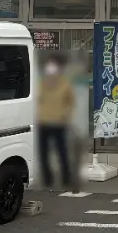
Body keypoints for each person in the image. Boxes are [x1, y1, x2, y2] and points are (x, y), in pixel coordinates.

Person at [37, 52, 76, 190]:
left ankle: (66, 178)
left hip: (59, 123)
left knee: (62, 151)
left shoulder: (65, 84)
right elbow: (37, 99)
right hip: (43, 122)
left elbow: (71, 102)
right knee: (43, 153)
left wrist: (65, 115)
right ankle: (47, 179)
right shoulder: (42, 83)